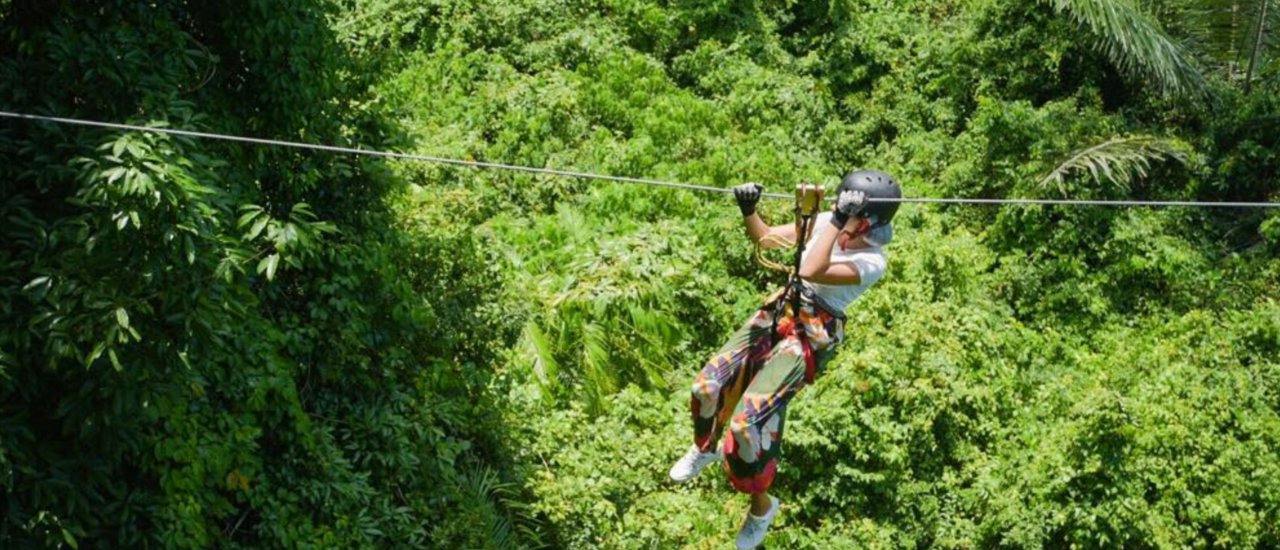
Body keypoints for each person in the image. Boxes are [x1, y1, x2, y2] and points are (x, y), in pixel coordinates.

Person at [668, 170, 901, 549]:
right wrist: (749, 210)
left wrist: (836, 220)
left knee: (745, 426)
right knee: (706, 386)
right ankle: (704, 448)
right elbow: (767, 239)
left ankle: (761, 508)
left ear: (865, 222)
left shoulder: (873, 261)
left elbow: (811, 269)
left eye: (848, 211)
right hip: (784, 310)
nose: (838, 211)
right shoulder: (831, 222)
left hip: (811, 333)